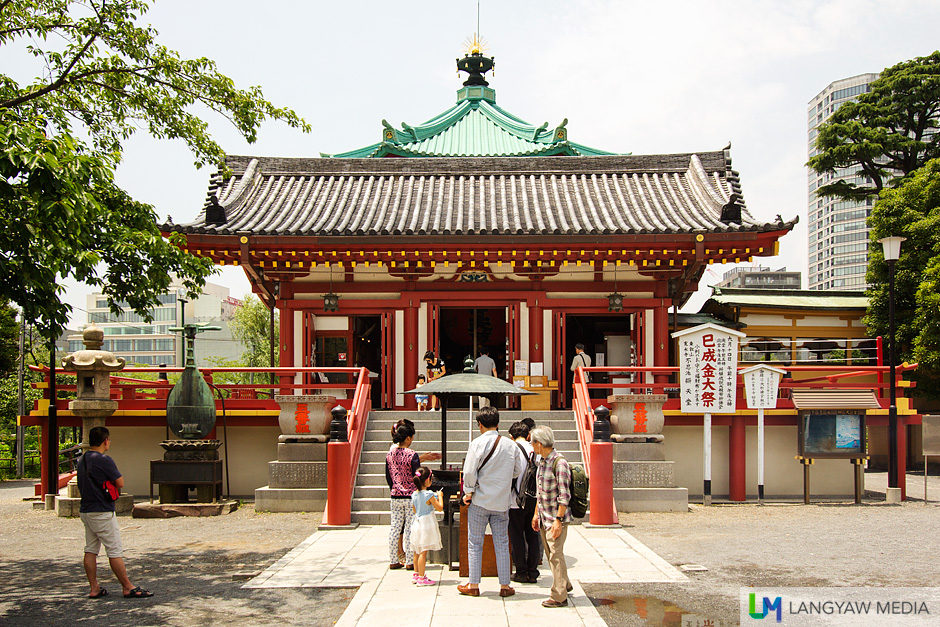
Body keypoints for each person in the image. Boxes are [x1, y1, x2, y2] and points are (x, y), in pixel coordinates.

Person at [457, 406, 526, 598]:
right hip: (501, 501)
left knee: (475, 542)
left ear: (479, 424)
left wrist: (468, 492)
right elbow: (517, 470)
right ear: (498, 423)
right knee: (502, 542)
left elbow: (470, 472)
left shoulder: (476, 444)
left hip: (480, 499)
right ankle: (505, 585)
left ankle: (473, 584)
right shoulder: (510, 445)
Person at [77, 426, 153, 599]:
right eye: (109, 440)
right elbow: (120, 482)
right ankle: (127, 586)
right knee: (114, 549)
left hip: (86, 510)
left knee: (90, 549)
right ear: (105, 440)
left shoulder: (82, 459)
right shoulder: (104, 460)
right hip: (102, 510)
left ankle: (94, 587)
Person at [386, 419, 440, 570]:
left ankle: (393, 559)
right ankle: (410, 561)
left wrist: (395, 487)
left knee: (395, 527)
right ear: (408, 438)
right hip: (410, 496)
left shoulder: (390, 454)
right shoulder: (412, 455)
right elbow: (417, 476)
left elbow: (388, 475)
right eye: (411, 438)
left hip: (395, 494)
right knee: (410, 527)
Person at [530, 425, 573, 608]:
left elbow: (564, 496)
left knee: (556, 555)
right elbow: (540, 492)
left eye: (532, 443)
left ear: (539, 443)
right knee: (552, 555)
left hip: (555, 518)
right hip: (544, 516)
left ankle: (559, 595)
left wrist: (558, 520)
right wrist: (535, 514)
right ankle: (565, 584)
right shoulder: (542, 461)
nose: (531, 446)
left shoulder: (559, 463)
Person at [508, 421, 541, 584]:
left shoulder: (510, 449)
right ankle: (533, 571)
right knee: (533, 534)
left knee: (517, 536)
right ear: (528, 435)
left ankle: (520, 570)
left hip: (515, 500)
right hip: (533, 499)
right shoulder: (536, 450)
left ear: (511, 436)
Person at [410, 466, 444, 586]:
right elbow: (440, 508)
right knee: (423, 552)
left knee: (416, 551)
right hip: (426, 524)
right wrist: (440, 496)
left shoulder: (414, 494)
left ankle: (416, 574)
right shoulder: (429, 495)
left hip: (416, 523)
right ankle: (421, 578)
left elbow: (414, 510)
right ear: (427, 480)